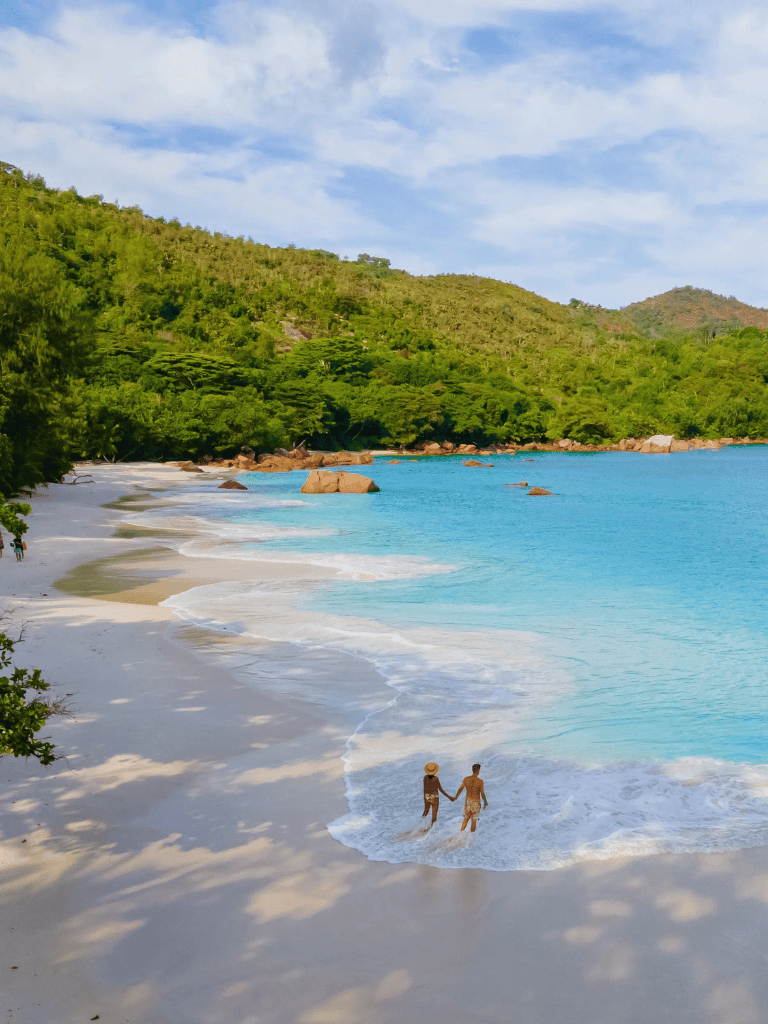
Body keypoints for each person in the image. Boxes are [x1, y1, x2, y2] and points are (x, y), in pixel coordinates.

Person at [454, 764, 488, 832]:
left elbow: (460, 789)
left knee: (466, 819)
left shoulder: (466, 779)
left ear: (472, 770)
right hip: (476, 803)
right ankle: (471, 836)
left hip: (468, 802)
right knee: (474, 821)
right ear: (478, 771)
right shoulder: (480, 781)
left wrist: (456, 796)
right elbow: (482, 793)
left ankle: (461, 833)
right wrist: (485, 801)